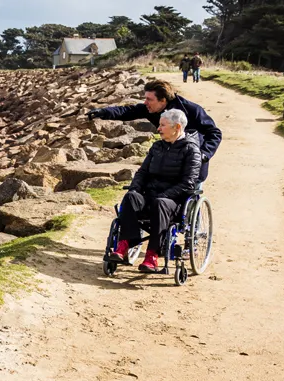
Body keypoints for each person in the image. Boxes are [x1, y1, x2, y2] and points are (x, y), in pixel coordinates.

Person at [110, 108, 201, 273]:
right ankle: (124, 245)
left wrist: (164, 195)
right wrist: (136, 188)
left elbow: (188, 183)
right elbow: (142, 172)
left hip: (174, 202)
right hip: (150, 195)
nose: (158, 129)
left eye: (162, 125)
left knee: (160, 203)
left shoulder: (191, 150)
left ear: (177, 127)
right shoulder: (157, 146)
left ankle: (152, 255)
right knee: (131, 196)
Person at [87, 79, 222, 181]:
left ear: (163, 100)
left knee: (188, 199)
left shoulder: (192, 110)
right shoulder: (151, 108)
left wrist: (204, 154)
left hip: (193, 162)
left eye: (149, 99)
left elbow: (214, 133)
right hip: (168, 158)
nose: (145, 103)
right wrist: (103, 112)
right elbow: (127, 111)